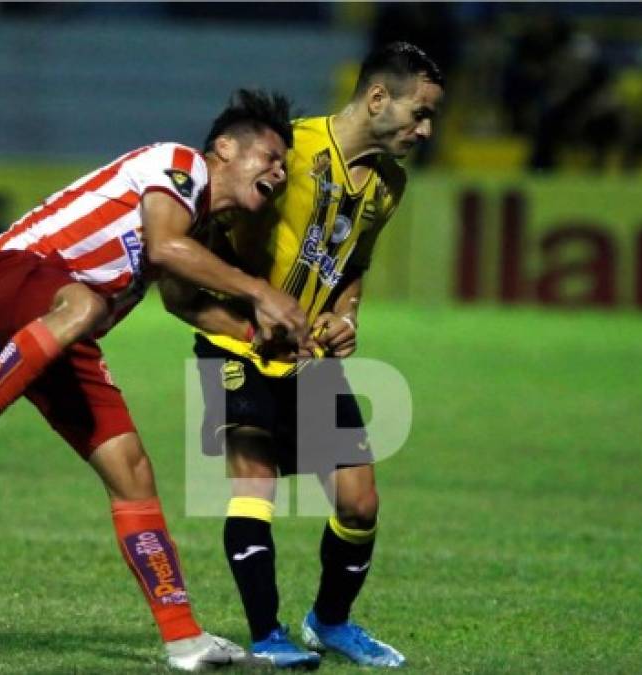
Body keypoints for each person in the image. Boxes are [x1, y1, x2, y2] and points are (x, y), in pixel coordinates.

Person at [0, 89, 308, 672]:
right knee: (86, 306)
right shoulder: (179, 166)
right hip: (10, 273)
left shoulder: (197, 226)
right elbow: (165, 249)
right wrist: (261, 291)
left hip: (57, 331)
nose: (278, 172)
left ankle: (184, 640)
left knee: (132, 471)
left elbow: (184, 302)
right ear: (225, 147)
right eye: (271, 157)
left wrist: (260, 339)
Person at [161, 42, 444, 668]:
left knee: (359, 501)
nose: (425, 130)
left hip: (312, 357)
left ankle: (331, 622)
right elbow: (205, 234)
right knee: (253, 483)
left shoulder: (389, 185)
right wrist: (237, 314)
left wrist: (345, 319)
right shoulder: (289, 149)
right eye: (420, 113)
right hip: (237, 345)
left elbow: (352, 267)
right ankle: (267, 635)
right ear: (377, 98)